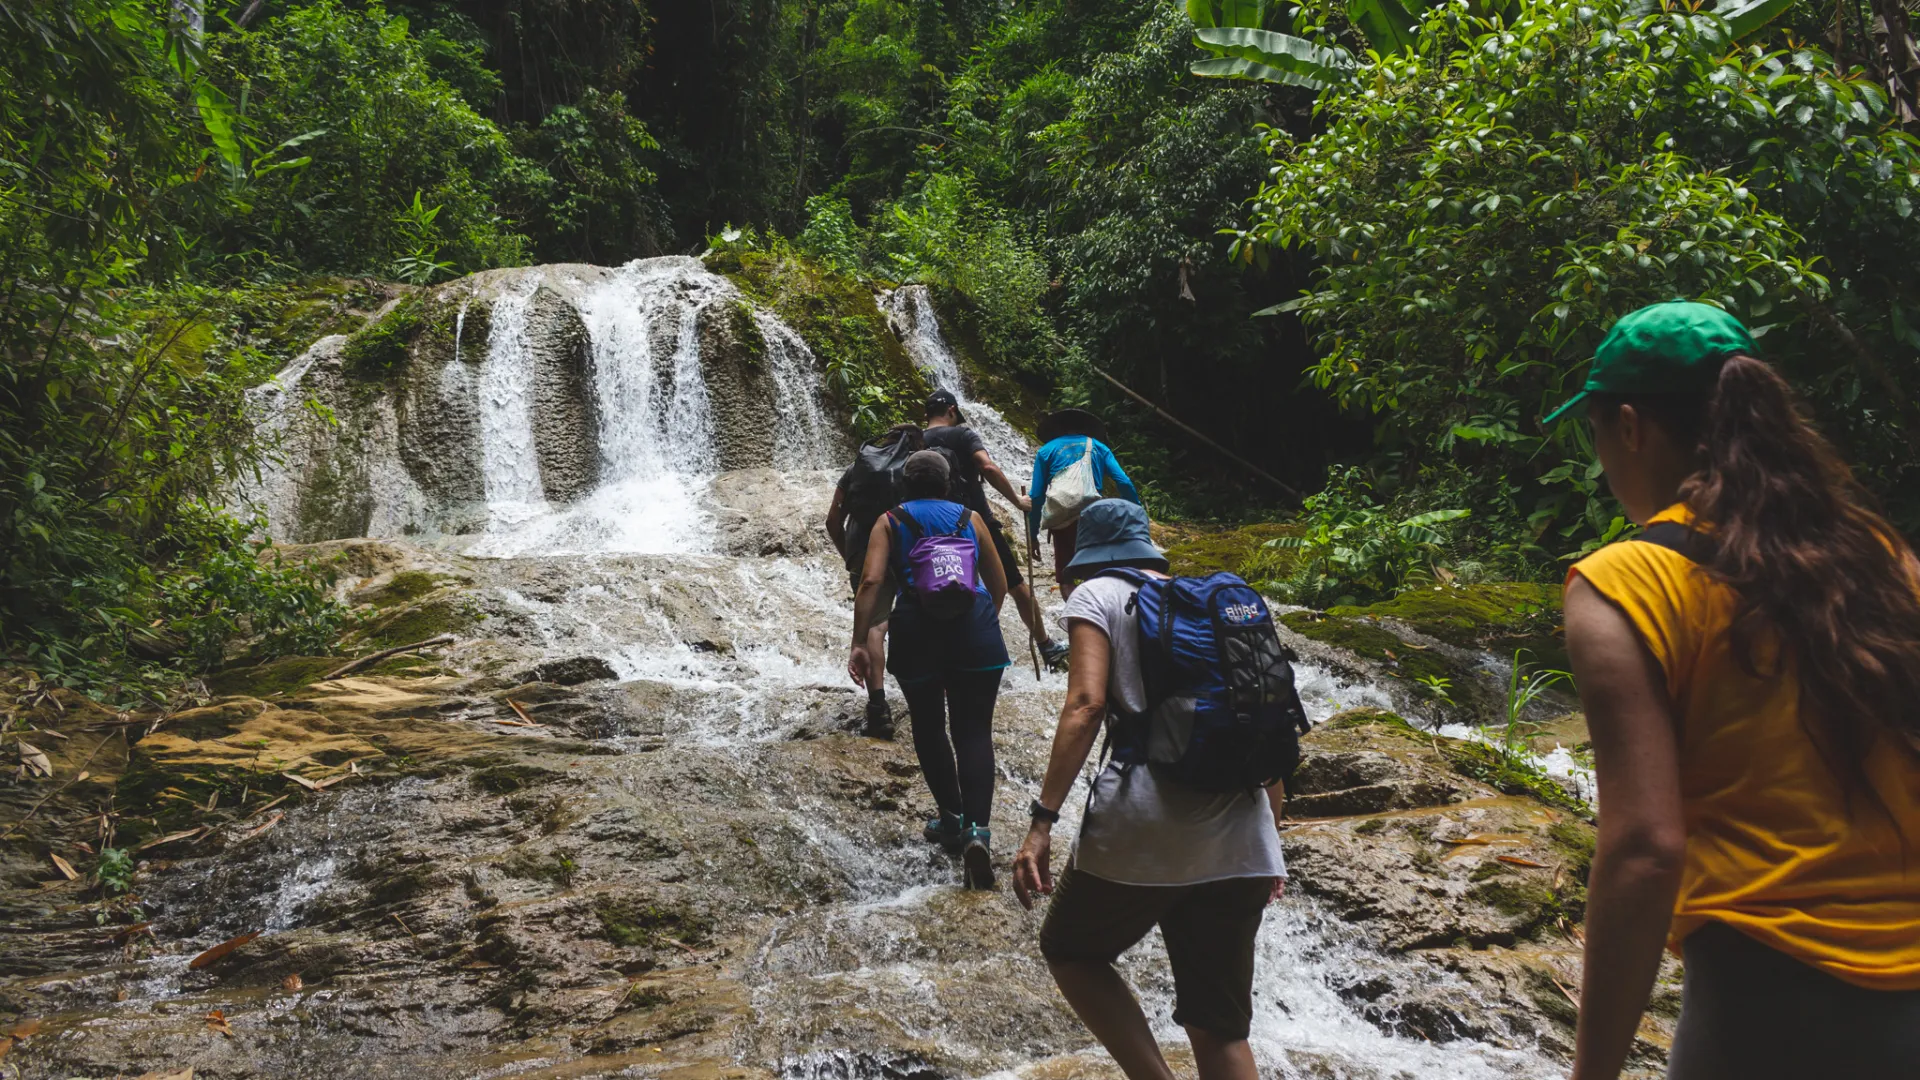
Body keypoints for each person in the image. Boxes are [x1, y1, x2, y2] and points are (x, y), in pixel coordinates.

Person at [1550, 301, 1920, 1080]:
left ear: (1629, 425)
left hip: (1768, 1005)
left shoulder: (1625, 582)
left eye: (1594, 435)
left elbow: (1646, 850)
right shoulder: (1884, 561)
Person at [1013, 499, 1287, 1080]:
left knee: (1071, 950)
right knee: (1221, 1026)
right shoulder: (1215, 603)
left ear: (1088, 551)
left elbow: (1086, 705)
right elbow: (1263, 718)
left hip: (1145, 821)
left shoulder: (1097, 596)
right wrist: (1271, 840)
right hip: (1244, 830)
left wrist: (1042, 822)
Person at [850, 449, 1011, 888]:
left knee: (928, 725)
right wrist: (981, 621)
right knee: (974, 731)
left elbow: (871, 581)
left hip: (917, 631)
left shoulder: (891, 520)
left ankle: (952, 819)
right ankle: (979, 832)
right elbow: (997, 583)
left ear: (904, 483)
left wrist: (859, 642)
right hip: (975, 630)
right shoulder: (970, 517)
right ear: (946, 484)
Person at [921, 389, 1069, 669]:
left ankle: (944, 651)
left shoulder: (915, 441)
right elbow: (987, 467)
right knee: (1014, 583)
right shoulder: (963, 435)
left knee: (946, 587)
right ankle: (1046, 645)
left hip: (933, 528)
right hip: (976, 525)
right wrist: (1017, 501)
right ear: (952, 411)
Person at [826, 424, 922, 738]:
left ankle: (878, 706)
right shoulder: (915, 468)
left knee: (874, 627)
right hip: (907, 552)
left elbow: (832, 520)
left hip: (861, 552)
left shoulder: (859, 467)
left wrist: (850, 555)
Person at [1026, 409, 1142, 599]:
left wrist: (1033, 534)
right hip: (1094, 517)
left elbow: (1037, 496)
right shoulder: (1098, 446)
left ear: (1057, 429)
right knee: (1099, 573)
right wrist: (1137, 512)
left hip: (1061, 519)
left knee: (1066, 579)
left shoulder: (1046, 450)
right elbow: (1124, 482)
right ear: (1086, 429)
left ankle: (1077, 622)